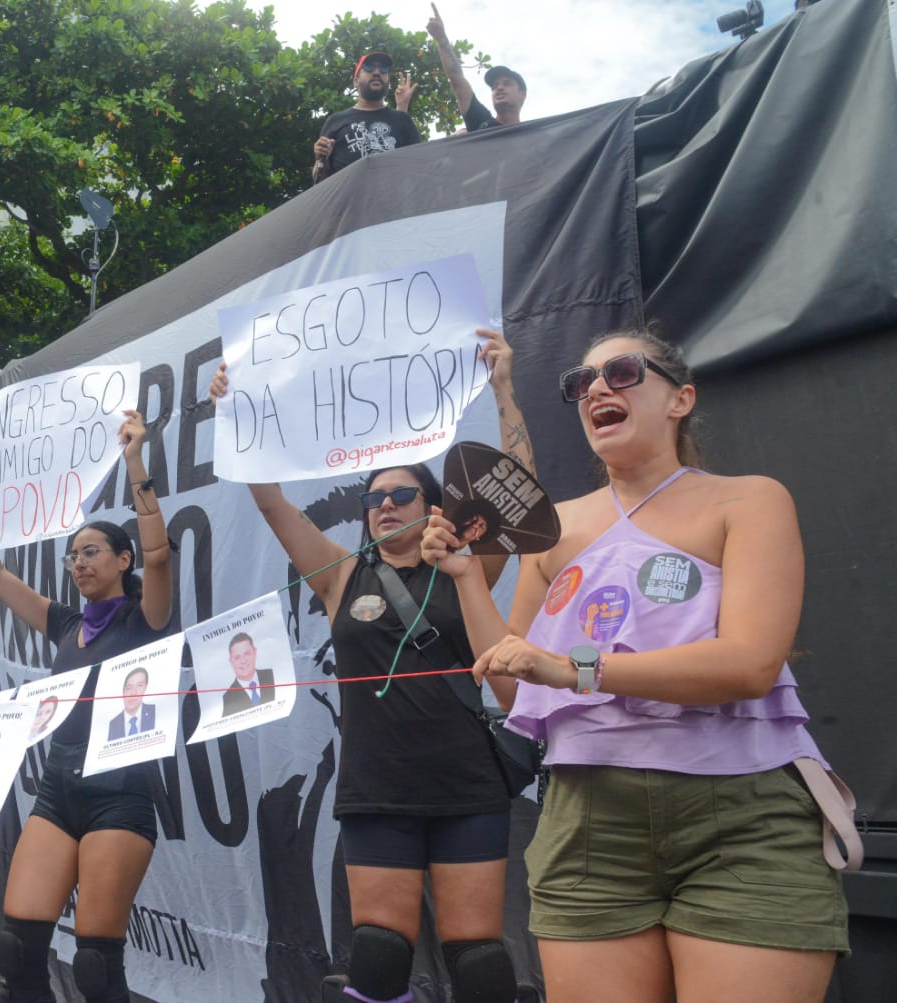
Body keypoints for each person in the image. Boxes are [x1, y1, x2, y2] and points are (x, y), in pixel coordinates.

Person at [421, 328, 848, 1002]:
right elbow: (516, 688)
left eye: (621, 371)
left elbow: (749, 664)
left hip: (742, 815)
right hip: (588, 820)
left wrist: (577, 669)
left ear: (681, 399)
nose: (596, 387)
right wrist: (467, 578)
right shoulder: (553, 528)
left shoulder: (750, 500)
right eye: (580, 382)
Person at [209, 326, 536, 1003]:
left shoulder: (467, 568)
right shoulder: (339, 574)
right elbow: (269, 501)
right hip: (378, 789)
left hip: (467, 786)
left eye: (402, 495)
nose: (384, 504)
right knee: (380, 958)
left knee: (479, 963)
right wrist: (236, 415)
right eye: (373, 498)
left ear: (433, 506)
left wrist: (505, 389)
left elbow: (517, 493)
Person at [0, 409, 172, 1003]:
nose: (79, 563)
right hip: (57, 792)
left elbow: (160, 557)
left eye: (92, 551)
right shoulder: (66, 623)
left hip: (120, 795)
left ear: (122, 560)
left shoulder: (146, 620)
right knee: (16, 950)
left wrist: (135, 461)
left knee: (95, 965)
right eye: (73, 555)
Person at [312, 50, 421, 185]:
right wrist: (321, 158)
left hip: (392, 198)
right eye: (369, 67)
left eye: (383, 69)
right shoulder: (335, 121)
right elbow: (319, 182)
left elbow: (418, 168)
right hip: (349, 198)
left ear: (388, 81)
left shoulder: (402, 120)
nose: (377, 72)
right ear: (356, 81)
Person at [426, 5, 526, 131]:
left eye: (507, 83)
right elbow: (456, 78)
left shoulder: (535, 135)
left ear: (522, 94)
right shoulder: (481, 122)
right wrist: (441, 39)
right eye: (494, 86)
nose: (499, 88)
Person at [220, 633, 276, 716]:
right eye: (237, 657)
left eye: (246, 653)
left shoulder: (273, 676)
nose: (243, 661)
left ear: (255, 652)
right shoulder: (227, 699)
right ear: (231, 661)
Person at [105, 668, 156, 739]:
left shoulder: (154, 711)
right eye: (129, 688)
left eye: (139, 686)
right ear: (123, 692)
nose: (133, 693)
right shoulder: (113, 724)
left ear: (145, 688)